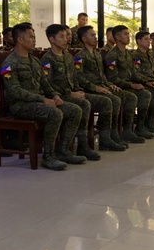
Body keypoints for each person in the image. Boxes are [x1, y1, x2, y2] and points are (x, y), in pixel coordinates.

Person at [1, 23, 86, 170]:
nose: (34, 40)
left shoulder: (34, 60)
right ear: (20, 40)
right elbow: (14, 91)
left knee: (74, 110)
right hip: (20, 106)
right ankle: (48, 156)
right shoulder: (9, 63)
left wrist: (55, 95)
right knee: (55, 113)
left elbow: (44, 83)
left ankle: (64, 151)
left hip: (38, 102)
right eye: (31, 37)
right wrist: (42, 99)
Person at [41, 23, 125, 154]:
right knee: (85, 104)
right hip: (60, 95)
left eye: (66, 36)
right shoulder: (47, 59)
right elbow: (47, 83)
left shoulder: (67, 56)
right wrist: (71, 92)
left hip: (74, 92)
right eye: (62, 37)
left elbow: (74, 78)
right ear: (52, 39)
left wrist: (79, 90)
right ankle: (82, 145)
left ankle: (105, 138)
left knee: (107, 101)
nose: (66, 39)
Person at [76, 24, 145, 144]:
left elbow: (102, 76)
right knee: (113, 100)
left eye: (95, 35)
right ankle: (106, 138)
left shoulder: (96, 54)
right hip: (90, 89)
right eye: (92, 35)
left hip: (103, 86)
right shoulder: (79, 56)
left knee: (129, 97)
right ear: (84, 39)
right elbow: (78, 77)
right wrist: (95, 87)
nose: (96, 37)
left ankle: (121, 132)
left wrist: (109, 84)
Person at [105, 26, 154, 137]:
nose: (128, 36)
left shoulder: (128, 54)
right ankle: (127, 130)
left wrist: (146, 82)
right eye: (125, 34)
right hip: (120, 86)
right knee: (134, 97)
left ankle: (142, 126)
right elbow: (113, 78)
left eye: (128, 34)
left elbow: (134, 73)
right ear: (117, 37)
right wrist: (131, 84)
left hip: (130, 84)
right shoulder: (112, 55)